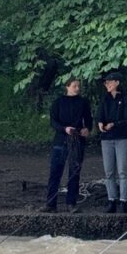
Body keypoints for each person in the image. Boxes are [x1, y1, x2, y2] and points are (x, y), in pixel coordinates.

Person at [42, 78, 92, 213]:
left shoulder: (83, 102)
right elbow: (53, 121)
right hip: (61, 140)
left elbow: (88, 121)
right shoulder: (58, 102)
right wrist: (64, 129)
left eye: (78, 86)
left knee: (74, 172)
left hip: (77, 140)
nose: (77, 88)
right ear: (67, 87)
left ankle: (71, 203)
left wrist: (86, 129)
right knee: (55, 172)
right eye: (74, 86)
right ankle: (51, 203)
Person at [97, 71, 127, 213]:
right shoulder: (105, 98)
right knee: (109, 171)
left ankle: (123, 201)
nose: (107, 84)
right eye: (106, 82)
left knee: (123, 171)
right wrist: (100, 123)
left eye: (110, 82)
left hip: (123, 138)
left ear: (117, 83)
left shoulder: (126, 98)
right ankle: (111, 199)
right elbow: (99, 114)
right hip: (107, 138)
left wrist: (114, 124)